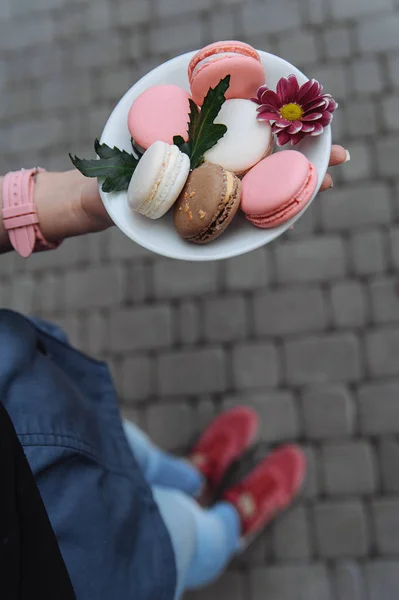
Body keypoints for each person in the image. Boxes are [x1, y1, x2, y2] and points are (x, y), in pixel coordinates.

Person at [0, 145, 349, 600]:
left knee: (133, 448)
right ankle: (231, 523)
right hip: (80, 556)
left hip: (44, 402)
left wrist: (49, 203)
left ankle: (193, 477)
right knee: (188, 535)